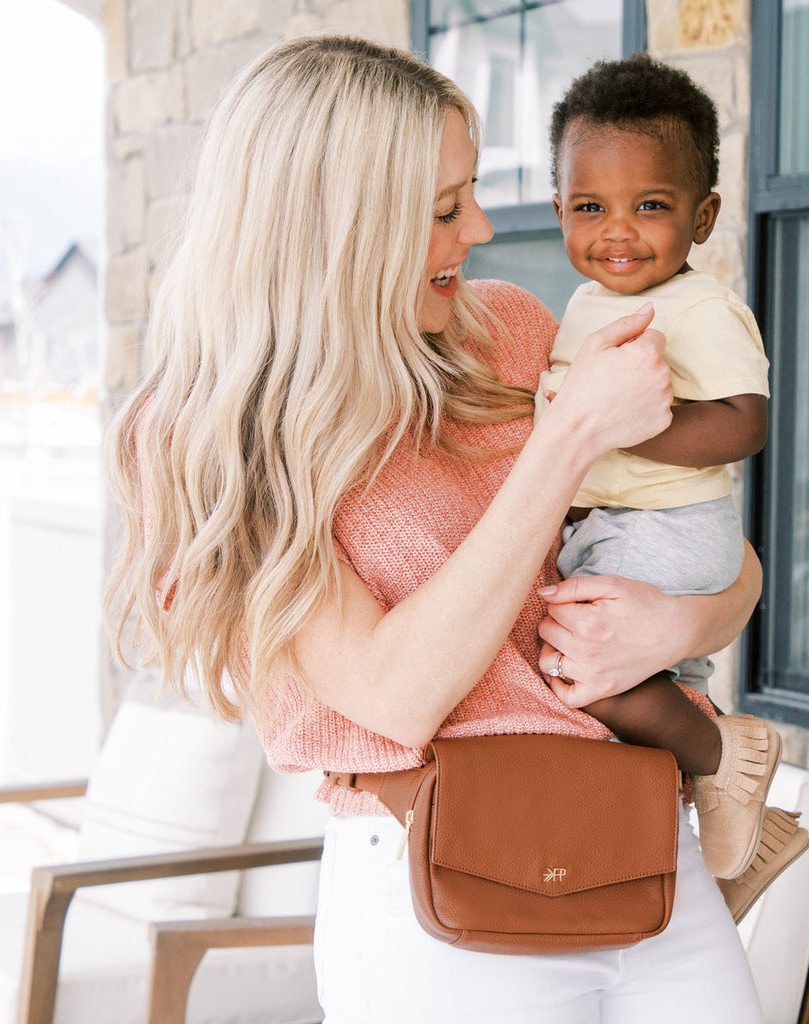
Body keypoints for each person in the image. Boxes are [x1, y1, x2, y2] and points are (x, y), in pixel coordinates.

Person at [106, 35, 767, 1023]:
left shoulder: (508, 329)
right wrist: (569, 434)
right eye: (444, 208)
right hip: (441, 888)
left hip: (644, 848)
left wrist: (675, 629)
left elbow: (726, 558)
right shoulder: (211, 437)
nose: (485, 227)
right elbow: (396, 695)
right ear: (342, 225)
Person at [535, 53, 804, 886]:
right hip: (613, 530)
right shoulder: (585, 302)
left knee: (592, 677)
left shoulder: (701, 308)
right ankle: (736, 825)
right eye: (591, 207)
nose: (617, 231)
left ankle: (729, 753)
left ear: (703, 215)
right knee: (655, 692)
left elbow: (744, 422)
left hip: (671, 529)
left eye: (650, 206)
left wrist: (627, 424)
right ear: (560, 212)